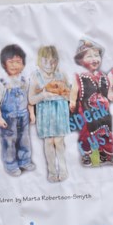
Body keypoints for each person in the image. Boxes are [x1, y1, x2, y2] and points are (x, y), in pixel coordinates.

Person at [69, 37, 113, 167]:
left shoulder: (103, 76)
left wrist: (112, 96)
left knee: (106, 131)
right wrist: (72, 101)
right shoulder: (79, 77)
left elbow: (109, 91)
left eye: (96, 55)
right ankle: (86, 154)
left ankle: (105, 153)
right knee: (86, 133)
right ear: (81, 60)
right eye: (89, 56)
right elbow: (74, 90)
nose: (94, 59)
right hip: (86, 112)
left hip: (103, 113)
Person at [29, 45, 72, 182]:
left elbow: (68, 95)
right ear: (39, 61)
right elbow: (31, 99)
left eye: (52, 61)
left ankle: (63, 170)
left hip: (59, 112)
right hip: (45, 114)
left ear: (57, 61)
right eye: (45, 61)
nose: (49, 64)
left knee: (59, 142)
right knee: (48, 142)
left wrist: (64, 93)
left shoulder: (61, 75)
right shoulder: (35, 77)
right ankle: (52, 171)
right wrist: (44, 94)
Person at [0, 44, 36, 177]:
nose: (15, 65)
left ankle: (24, 160)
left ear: (23, 64)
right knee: (9, 141)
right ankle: (10, 164)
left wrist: (31, 113)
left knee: (24, 139)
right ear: (4, 64)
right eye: (11, 62)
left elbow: (30, 98)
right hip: (8, 117)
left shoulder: (25, 81)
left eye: (18, 62)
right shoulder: (1, 83)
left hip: (23, 116)